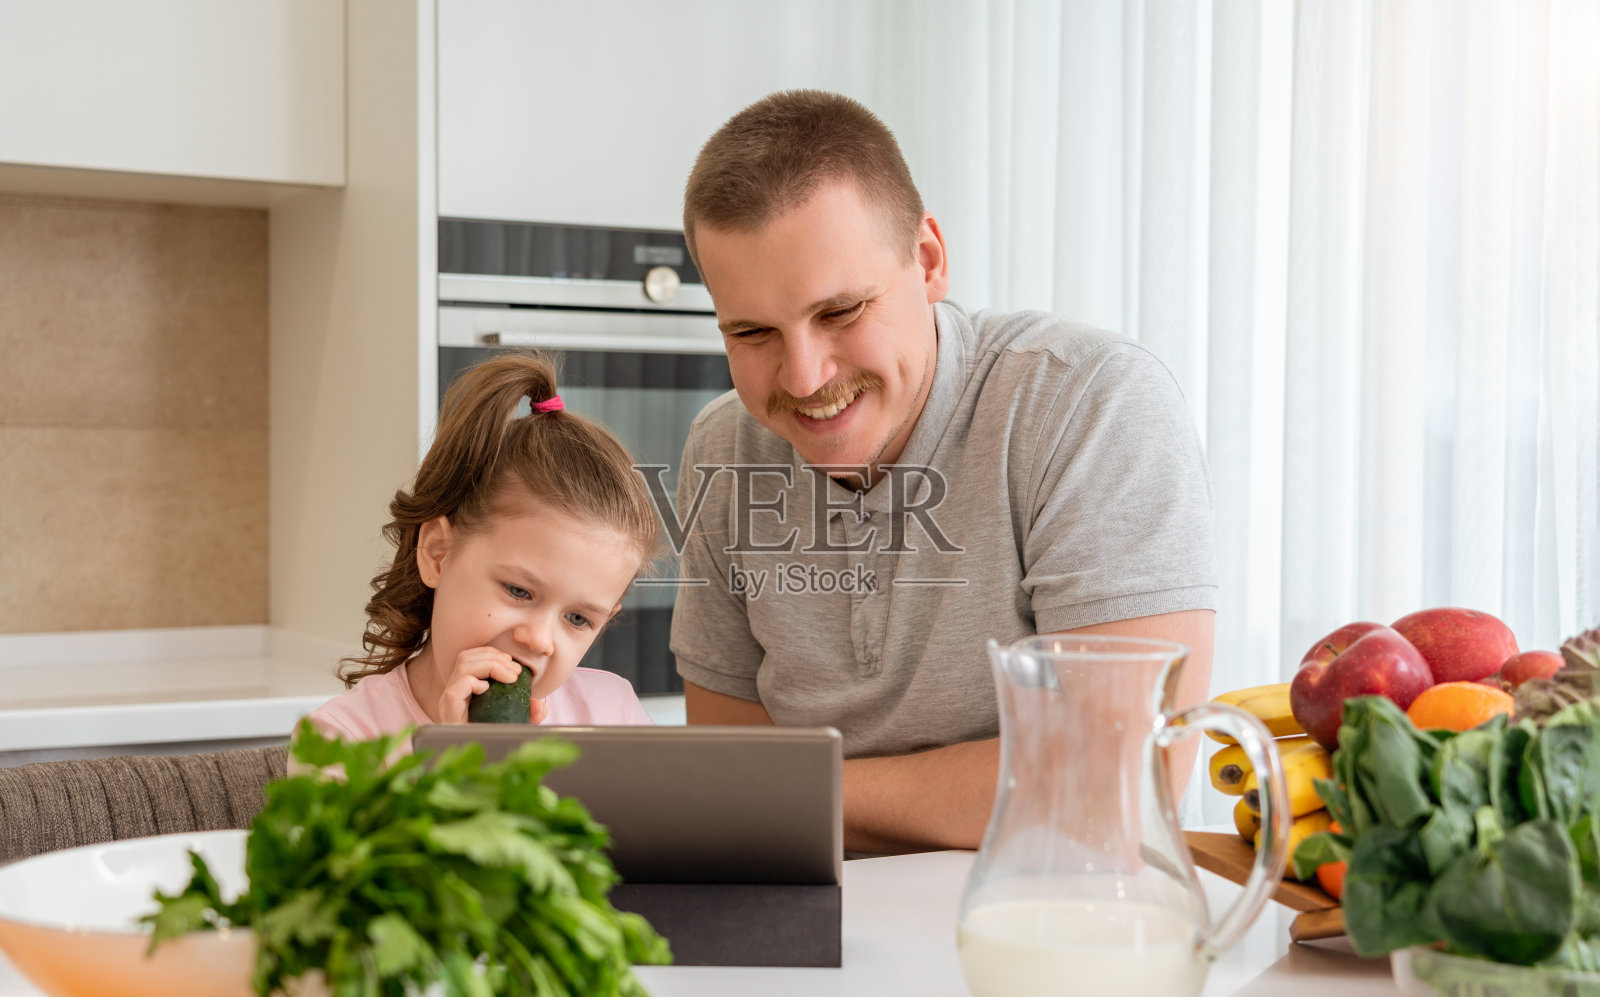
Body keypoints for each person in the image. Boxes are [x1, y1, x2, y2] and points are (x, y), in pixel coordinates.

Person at [669, 90, 1218, 854]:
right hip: (813, 928)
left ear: (928, 260)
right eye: (753, 331)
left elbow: (1120, 775)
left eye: (841, 312)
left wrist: (798, 792)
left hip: (1044, 927)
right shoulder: (722, 447)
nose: (801, 376)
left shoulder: (1090, 403)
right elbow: (729, 784)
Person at [303, 353, 661, 746]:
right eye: (519, 591)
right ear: (438, 553)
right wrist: (466, 758)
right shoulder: (345, 739)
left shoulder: (612, 715)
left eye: (577, 619)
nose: (539, 640)